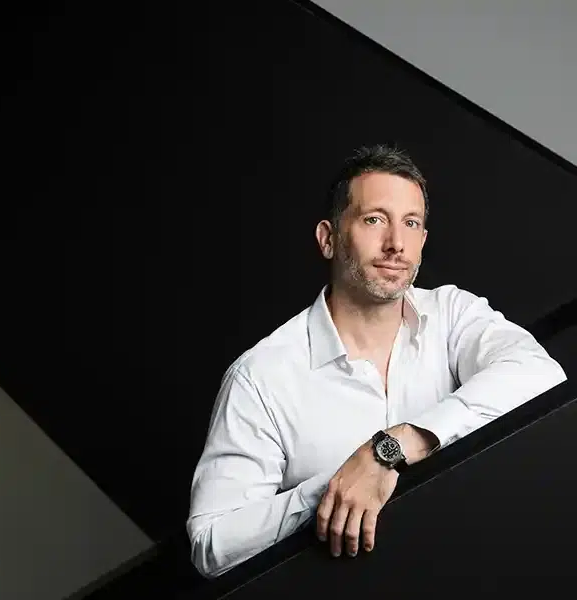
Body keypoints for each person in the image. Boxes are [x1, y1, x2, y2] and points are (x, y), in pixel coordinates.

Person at [186, 144, 567, 579]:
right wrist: (337, 486)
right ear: (329, 239)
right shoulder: (261, 377)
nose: (396, 245)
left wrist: (392, 448)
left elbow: (542, 375)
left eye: (411, 223)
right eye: (374, 220)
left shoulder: (452, 313)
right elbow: (212, 544)